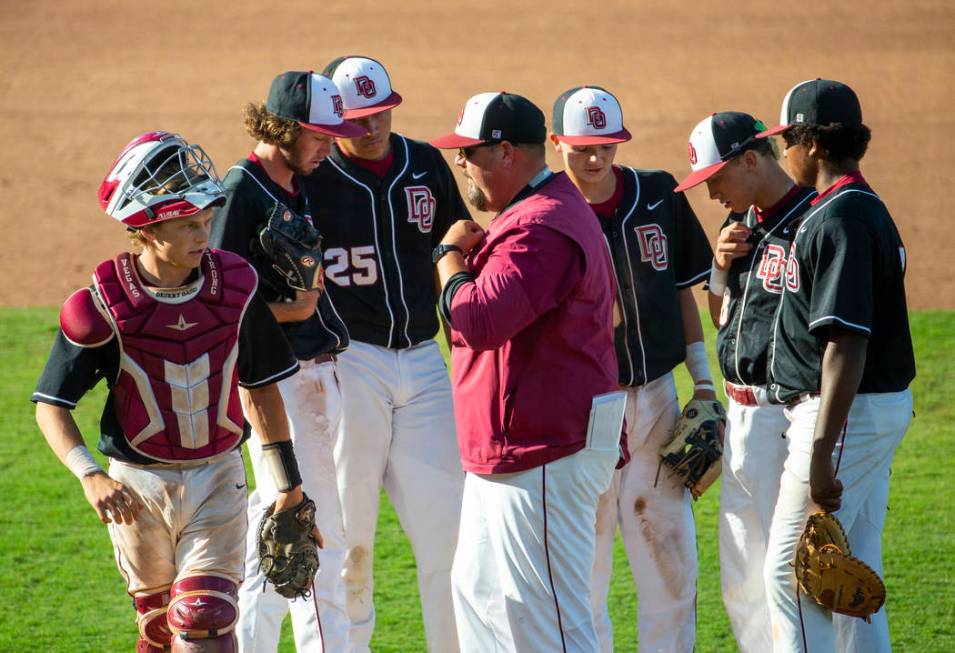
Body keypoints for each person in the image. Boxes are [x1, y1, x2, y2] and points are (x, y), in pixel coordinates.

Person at [32, 130, 313, 653]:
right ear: (147, 228)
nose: (203, 235)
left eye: (206, 221)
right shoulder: (101, 306)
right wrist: (88, 475)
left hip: (218, 476)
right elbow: (53, 404)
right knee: (160, 630)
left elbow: (262, 391)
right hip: (136, 489)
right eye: (188, 225)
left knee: (205, 617)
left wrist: (288, 487)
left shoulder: (236, 288)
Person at [430, 91, 621, 653]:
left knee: (547, 622)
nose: (461, 163)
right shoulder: (535, 214)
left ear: (506, 152)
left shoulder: (540, 226)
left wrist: (447, 261)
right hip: (516, 449)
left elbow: (481, 319)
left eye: (469, 152)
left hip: (543, 450)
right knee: (482, 599)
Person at [304, 55, 468, 652]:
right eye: (356, 117)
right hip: (352, 364)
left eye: (381, 112)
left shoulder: (424, 163)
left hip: (424, 363)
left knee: (451, 538)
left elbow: (458, 238)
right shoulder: (314, 180)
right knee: (350, 542)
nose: (371, 127)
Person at [548, 86, 715, 652]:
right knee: (585, 571)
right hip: (585, 414)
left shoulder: (658, 193)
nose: (595, 160)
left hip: (660, 401)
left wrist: (706, 384)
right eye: (581, 148)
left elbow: (683, 292)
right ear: (556, 144)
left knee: (670, 562)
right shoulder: (543, 213)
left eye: (606, 147)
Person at [759, 79, 916, 652]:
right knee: (851, 573)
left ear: (816, 145)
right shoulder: (859, 206)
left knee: (794, 574)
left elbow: (847, 344)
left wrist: (824, 450)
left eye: (789, 140)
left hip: (845, 414)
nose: (784, 153)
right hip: (866, 410)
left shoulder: (841, 219)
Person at [210, 71, 363, 653]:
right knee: (316, 537)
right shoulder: (241, 190)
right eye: (321, 136)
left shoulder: (295, 182)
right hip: (284, 384)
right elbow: (216, 305)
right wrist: (290, 312)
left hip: (316, 376)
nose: (330, 146)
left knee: (274, 541)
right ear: (286, 129)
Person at [673, 111, 817, 652]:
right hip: (741, 419)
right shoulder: (740, 223)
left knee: (792, 574)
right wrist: (717, 267)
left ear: (751, 160)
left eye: (716, 178)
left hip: (787, 417)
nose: (711, 193)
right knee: (741, 577)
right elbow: (722, 317)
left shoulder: (814, 218)